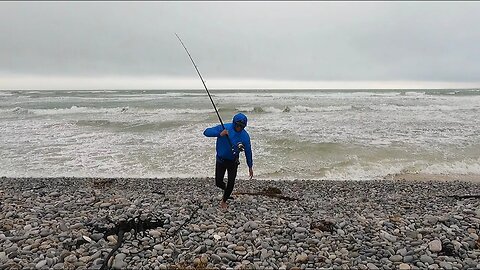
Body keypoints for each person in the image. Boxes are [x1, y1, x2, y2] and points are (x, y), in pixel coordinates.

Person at [203, 113, 254, 209]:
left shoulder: (245, 136)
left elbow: (248, 151)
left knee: (231, 182)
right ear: (234, 123)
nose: (239, 128)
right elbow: (206, 132)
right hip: (221, 160)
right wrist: (219, 134)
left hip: (233, 162)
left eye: (241, 126)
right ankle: (227, 191)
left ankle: (224, 200)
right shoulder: (224, 127)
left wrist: (250, 166)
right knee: (218, 182)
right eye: (237, 125)